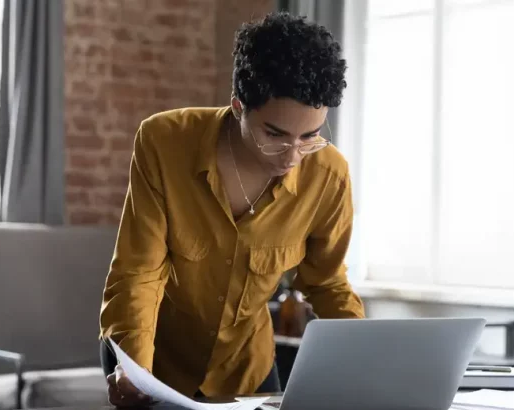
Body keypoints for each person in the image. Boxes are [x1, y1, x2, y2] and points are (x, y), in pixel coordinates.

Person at [99, 11, 365, 407]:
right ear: (239, 106)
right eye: (274, 135)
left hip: (246, 367)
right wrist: (136, 368)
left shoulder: (329, 175)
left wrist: (369, 362)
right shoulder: (164, 141)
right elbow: (140, 272)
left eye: (309, 136)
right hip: (150, 356)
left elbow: (326, 283)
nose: (292, 156)